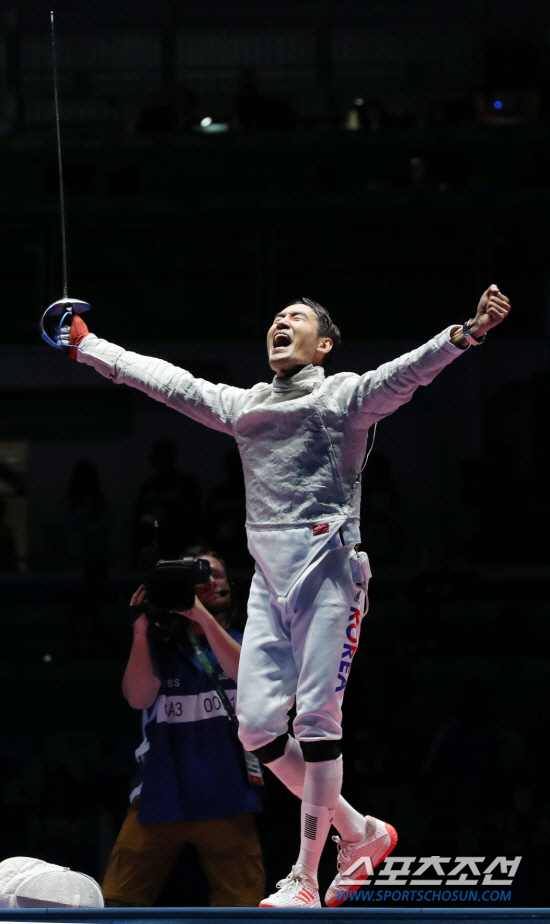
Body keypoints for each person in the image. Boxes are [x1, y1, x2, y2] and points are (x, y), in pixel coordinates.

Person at [52, 284, 510, 907]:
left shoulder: (343, 396)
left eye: (295, 318)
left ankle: (305, 876)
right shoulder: (244, 407)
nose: (280, 323)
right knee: (257, 729)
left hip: (329, 573)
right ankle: (360, 832)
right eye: (275, 317)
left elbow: (406, 376)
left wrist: (466, 333)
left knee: (319, 720)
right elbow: (166, 381)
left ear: (322, 345)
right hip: (269, 582)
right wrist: (87, 347)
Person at [101, 547, 265, 907]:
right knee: (116, 904)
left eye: (216, 574)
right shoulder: (160, 649)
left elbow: (252, 680)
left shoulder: (250, 643)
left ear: (229, 587)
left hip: (228, 796)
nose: (208, 581)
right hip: (158, 795)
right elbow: (138, 698)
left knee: (245, 911)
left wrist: (203, 618)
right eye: (197, 575)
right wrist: (141, 630)